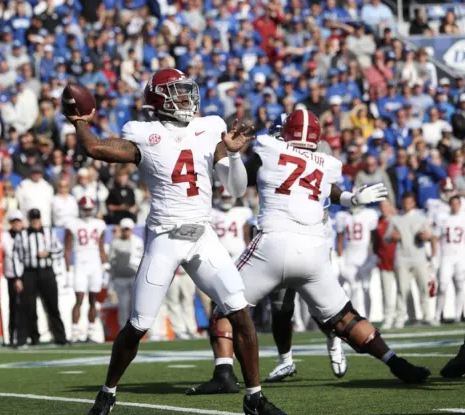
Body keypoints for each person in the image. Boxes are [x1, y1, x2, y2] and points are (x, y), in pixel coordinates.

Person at [66, 68, 283, 415]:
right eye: (176, 92)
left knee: (239, 310)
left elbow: (238, 189)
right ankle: (106, 396)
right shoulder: (143, 133)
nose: (186, 98)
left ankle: (254, 396)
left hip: (202, 235)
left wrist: (230, 154)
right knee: (137, 325)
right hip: (165, 236)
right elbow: (95, 149)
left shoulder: (210, 127)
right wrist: (80, 122)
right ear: (158, 99)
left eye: (186, 91)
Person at [198, 109, 430, 399]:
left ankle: (223, 373)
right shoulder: (326, 163)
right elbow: (326, 188)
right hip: (313, 251)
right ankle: (395, 362)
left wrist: (231, 152)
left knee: (224, 305)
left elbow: (240, 181)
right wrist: (349, 198)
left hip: (273, 242)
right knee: (345, 317)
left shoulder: (269, 147)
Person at [12, 208, 68, 346]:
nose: (35, 221)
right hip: (29, 273)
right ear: (29, 220)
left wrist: (48, 253)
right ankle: (26, 339)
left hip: (47, 271)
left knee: (52, 306)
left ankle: (60, 338)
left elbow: (59, 249)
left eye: (37, 218)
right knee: (28, 307)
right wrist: (18, 278)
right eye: (33, 219)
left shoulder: (49, 232)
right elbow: (16, 257)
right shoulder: (22, 235)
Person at [384, 191, 433, 327]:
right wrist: (392, 237)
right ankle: (401, 317)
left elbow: (430, 235)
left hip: (419, 256)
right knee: (402, 289)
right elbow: (386, 238)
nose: (407, 205)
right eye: (405, 202)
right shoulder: (395, 219)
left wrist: (426, 236)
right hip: (402, 258)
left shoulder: (422, 217)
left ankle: (427, 316)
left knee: (423, 286)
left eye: (409, 202)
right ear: (402, 203)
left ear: (413, 203)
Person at [64, 195, 109, 343]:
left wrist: (105, 265)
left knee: (93, 300)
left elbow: (101, 247)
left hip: (95, 264)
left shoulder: (100, 224)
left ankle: (90, 331)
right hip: (80, 264)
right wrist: (67, 270)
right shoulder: (72, 224)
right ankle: (75, 332)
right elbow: (67, 249)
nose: (88, 212)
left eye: (90, 209)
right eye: (85, 209)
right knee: (79, 299)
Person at [335, 204, 380, 318]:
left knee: (366, 288)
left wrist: (373, 256)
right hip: (349, 257)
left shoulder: (369, 214)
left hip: (365, 257)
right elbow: (340, 241)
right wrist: (340, 260)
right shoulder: (342, 216)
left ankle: (368, 318)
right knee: (353, 288)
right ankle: (355, 319)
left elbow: (374, 239)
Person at [432, 195, 465, 326]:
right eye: (453, 204)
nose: (455, 206)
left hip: (461, 256)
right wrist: (434, 255)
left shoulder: (463, 217)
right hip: (446, 256)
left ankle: (457, 316)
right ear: (449, 205)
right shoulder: (442, 217)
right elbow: (435, 237)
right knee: (443, 286)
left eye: (457, 203)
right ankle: (437, 315)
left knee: (460, 286)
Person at [108, 218, 144, 329]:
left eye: (127, 229)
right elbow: (111, 260)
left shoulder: (137, 241)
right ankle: (123, 328)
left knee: (136, 304)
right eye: (124, 229)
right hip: (120, 277)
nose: (126, 232)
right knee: (123, 305)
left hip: (134, 275)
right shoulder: (115, 242)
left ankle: (136, 328)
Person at [376, 200, 398, 330]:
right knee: (386, 292)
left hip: (398, 259)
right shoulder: (378, 222)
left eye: (385, 206)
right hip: (384, 260)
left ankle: (410, 316)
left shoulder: (397, 220)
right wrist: (375, 255)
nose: (383, 208)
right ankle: (388, 318)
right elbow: (375, 241)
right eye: (381, 206)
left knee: (404, 290)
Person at [3, 209, 24, 346]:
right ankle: (12, 336)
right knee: (13, 307)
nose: (16, 224)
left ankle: (25, 335)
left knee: (26, 306)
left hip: (26, 274)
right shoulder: (5, 236)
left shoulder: (26, 235)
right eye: (14, 221)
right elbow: (9, 253)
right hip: (11, 274)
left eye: (18, 221)